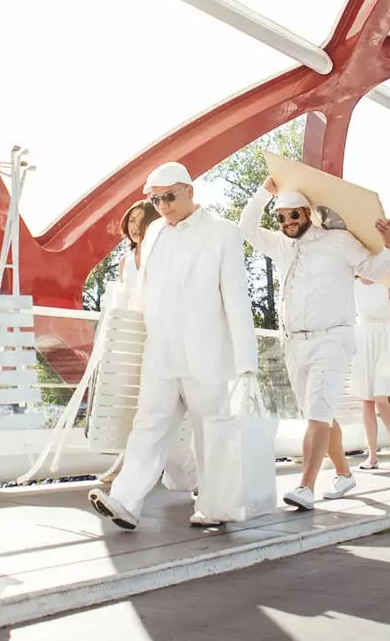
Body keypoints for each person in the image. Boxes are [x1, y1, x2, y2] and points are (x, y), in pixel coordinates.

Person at [89, 162, 257, 530]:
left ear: (189, 191)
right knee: (147, 424)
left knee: (212, 433)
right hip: (160, 353)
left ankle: (216, 507)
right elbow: (141, 295)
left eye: (168, 197)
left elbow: (236, 299)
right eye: (155, 198)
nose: (161, 205)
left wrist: (247, 362)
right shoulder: (152, 234)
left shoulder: (223, 234)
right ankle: (125, 500)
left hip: (208, 355)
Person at [240, 180, 390, 508]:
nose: (287, 223)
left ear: (307, 213)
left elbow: (374, 267)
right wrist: (264, 192)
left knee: (318, 414)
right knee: (319, 414)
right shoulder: (282, 245)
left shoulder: (337, 240)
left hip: (333, 338)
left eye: (293, 215)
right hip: (295, 344)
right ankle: (344, 473)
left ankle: (306, 487)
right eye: (281, 218)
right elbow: (246, 227)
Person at [97, 200, 198, 489]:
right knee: (128, 402)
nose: (135, 226)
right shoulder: (125, 259)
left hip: (159, 335)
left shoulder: (163, 254)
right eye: (131, 221)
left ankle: (167, 472)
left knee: (155, 408)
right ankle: (131, 466)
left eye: (141, 221)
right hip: (131, 336)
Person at [351, 274, 390, 471]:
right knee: (366, 400)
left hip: (387, 340)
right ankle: (372, 457)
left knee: (380, 397)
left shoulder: (388, 282)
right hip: (364, 340)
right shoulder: (353, 284)